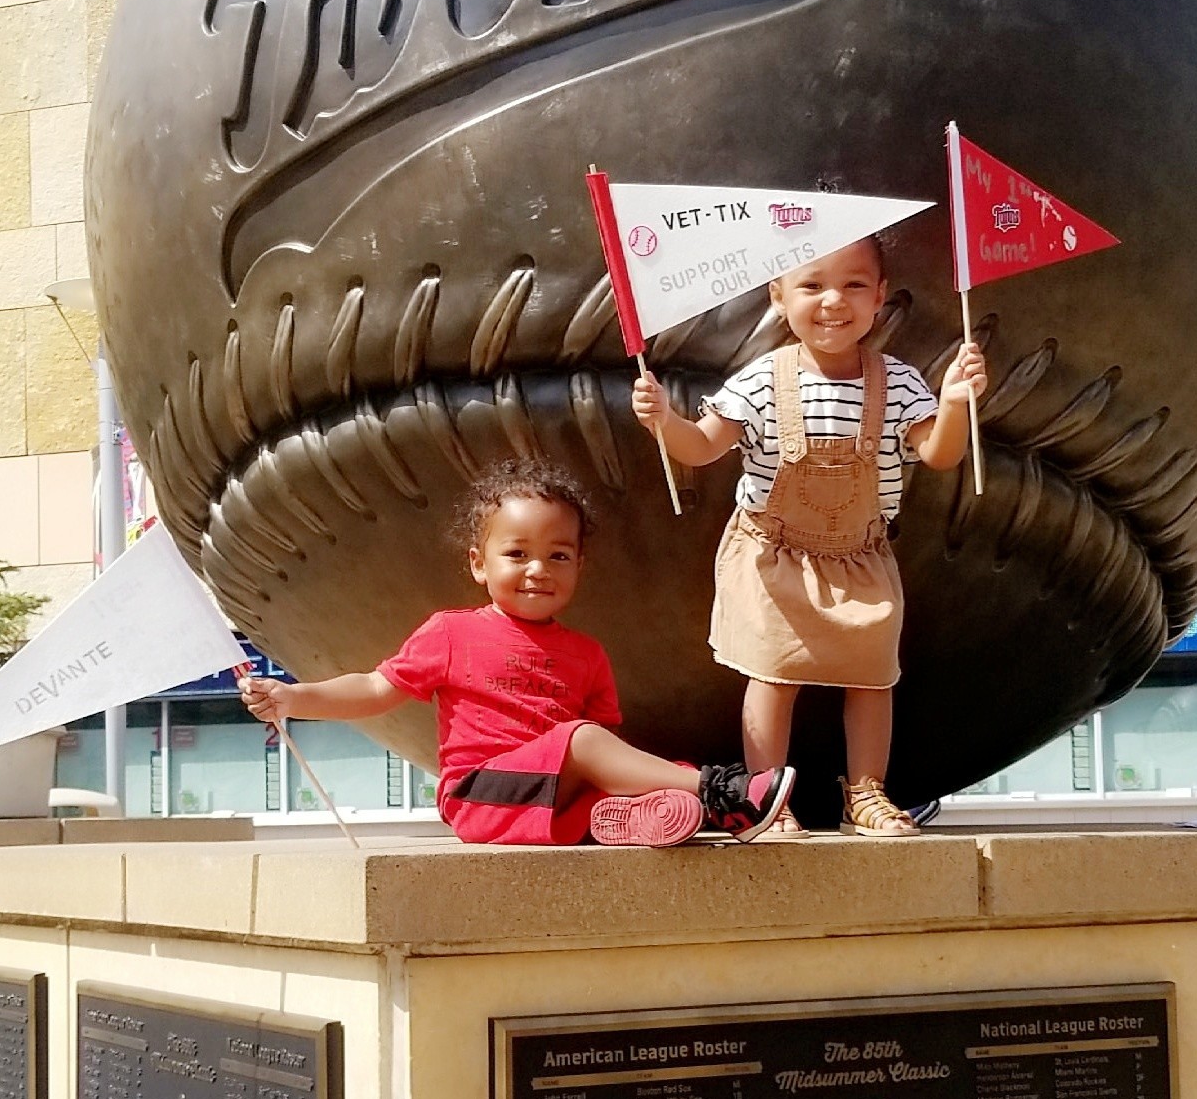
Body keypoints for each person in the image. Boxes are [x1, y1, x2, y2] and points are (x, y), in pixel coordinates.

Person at [238, 460, 794, 848]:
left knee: (627, 767)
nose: (538, 570)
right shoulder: (450, 632)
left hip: (552, 796)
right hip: (481, 796)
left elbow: (603, 750)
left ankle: (626, 818)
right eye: (517, 554)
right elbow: (375, 688)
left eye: (558, 556)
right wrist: (294, 697)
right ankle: (722, 792)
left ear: (580, 566)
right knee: (588, 742)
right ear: (479, 564)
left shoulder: (587, 653)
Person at [632, 236, 987, 835]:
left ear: (879, 296)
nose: (833, 301)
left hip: (860, 554)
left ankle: (866, 793)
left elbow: (939, 452)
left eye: (854, 285)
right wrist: (664, 421)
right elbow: (703, 446)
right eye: (812, 285)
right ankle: (766, 798)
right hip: (774, 553)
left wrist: (954, 403)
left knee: (872, 676)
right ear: (779, 296)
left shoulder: (898, 382)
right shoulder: (761, 381)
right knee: (774, 674)